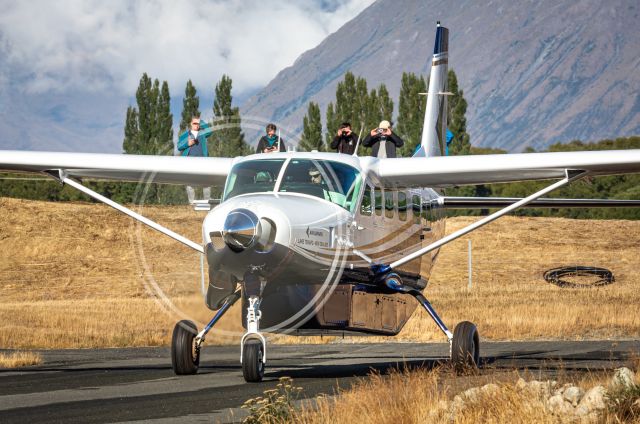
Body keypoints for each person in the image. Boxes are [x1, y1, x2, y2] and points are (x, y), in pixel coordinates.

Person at [177, 115, 212, 202]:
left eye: (198, 123)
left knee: (206, 182)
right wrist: (187, 144)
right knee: (190, 183)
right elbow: (179, 146)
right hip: (189, 161)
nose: (196, 125)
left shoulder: (202, 133)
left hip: (203, 160)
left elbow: (210, 131)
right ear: (191, 124)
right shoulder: (185, 135)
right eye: (194, 123)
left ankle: (207, 201)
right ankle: (191, 203)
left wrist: (201, 122)